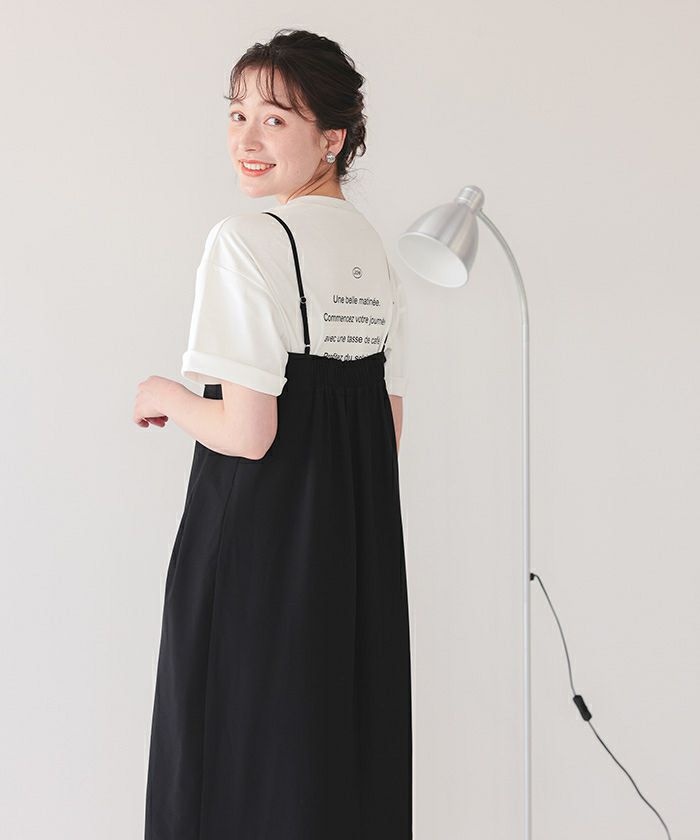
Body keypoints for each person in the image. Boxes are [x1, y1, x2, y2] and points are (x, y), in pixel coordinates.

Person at [133, 28, 412, 839]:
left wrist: (166, 395)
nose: (247, 140)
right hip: (351, 556)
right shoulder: (374, 254)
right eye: (237, 114)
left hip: (254, 553)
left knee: (230, 763)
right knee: (333, 765)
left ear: (332, 138)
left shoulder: (246, 241)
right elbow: (386, 432)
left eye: (276, 120)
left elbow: (250, 433)